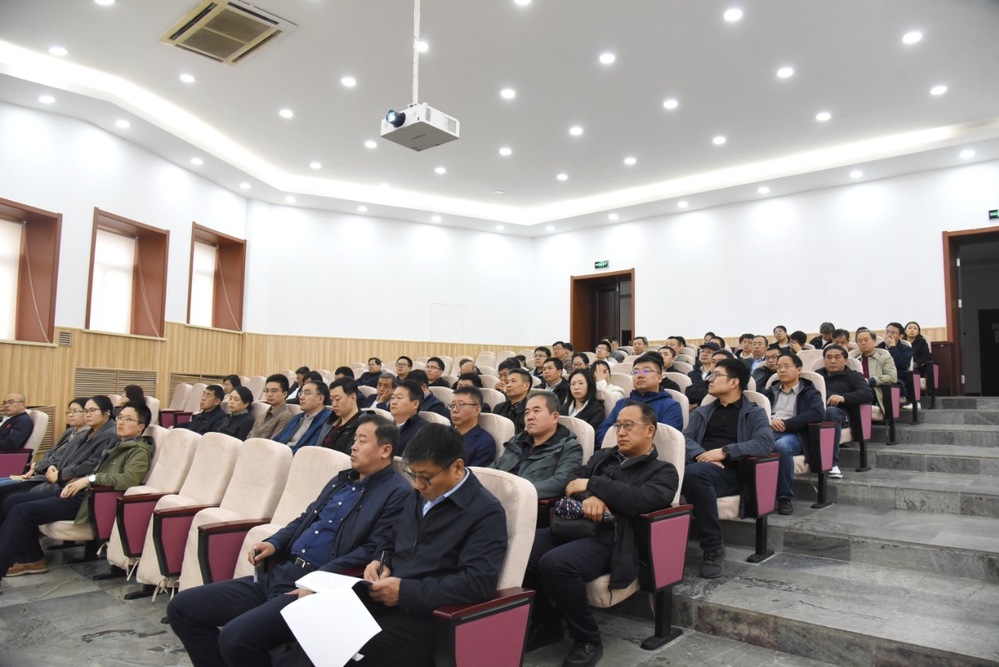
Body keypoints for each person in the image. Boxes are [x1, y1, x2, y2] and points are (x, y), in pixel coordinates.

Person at [167, 414, 411, 666]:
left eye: (362, 440)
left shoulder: (397, 494)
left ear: (385, 450)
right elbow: (306, 518)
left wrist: (318, 582)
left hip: (314, 586)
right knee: (182, 608)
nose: (353, 446)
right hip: (281, 572)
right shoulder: (342, 480)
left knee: (235, 638)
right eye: (355, 439)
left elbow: (372, 549)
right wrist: (275, 542)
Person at [524, 401, 679, 666]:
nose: (621, 432)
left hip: (613, 539)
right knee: (522, 549)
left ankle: (588, 639)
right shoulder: (603, 456)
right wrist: (590, 497)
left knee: (555, 564)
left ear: (650, 430)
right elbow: (572, 481)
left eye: (629, 425)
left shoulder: (663, 471)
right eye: (618, 426)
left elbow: (637, 501)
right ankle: (548, 622)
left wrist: (594, 485)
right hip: (573, 527)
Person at [356, 424, 508, 666]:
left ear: (457, 467)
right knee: (318, 626)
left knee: (352, 649)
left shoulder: (485, 512)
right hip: (386, 598)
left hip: (430, 617)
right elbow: (390, 536)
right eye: (413, 475)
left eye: (425, 477)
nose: (417, 485)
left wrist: (405, 592)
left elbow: (477, 583)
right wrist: (380, 560)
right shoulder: (418, 496)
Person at [0, 403, 153, 589]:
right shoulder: (118, 444)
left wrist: (90, 479)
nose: (120, 422)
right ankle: (31, 557)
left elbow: (129, 479)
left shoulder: (139, 451)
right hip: (77, 492)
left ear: (140, 426)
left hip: (90, 501)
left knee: (22, 511)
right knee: (12, 500)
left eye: (128, 419)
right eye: (120, 418)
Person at [681, 358, 774, 579]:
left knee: (694, 474)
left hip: (731, 473)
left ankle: (713, 547)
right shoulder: (703, 412)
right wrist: (702, 456)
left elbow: (764, 443)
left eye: (716, 375)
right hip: (700, 466)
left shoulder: (754, 412)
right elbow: (685, 439)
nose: (709, 380)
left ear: (734, 382)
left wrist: (725, 451)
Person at [0, 398, 92, 519]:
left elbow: (61, 460)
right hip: (40, 471)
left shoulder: (85, 436)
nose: (70, 414)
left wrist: (39, 466)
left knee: (7, 495)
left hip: (50, 477)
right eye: (69, 411)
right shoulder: (70, 431)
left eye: (75, 411)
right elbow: (51, 452)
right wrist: (38, 464)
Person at [761, 353, 825, 515]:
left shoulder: (810, 392)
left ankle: (785, 497)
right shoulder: (769, 392)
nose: (781, 370)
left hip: (794, 434)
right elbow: (754, 410)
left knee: (781, 447)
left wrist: (786, 424)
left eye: (786, 366)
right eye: (778, 367)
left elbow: (818, 414)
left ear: (798, 369)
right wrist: (769, 419)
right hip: (768, 431)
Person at [492, 391, 583, 499]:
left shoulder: (569, 447)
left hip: (528, 502)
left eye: (536, 411)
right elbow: (496, 467)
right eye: (527, 412)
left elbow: (560, 482)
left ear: (554, 417)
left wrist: (515, 493)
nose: (530, 417)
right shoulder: (517, 441)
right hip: (495, 497)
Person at [596, 354, 683, 445]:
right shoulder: (621, 403)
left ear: (660, 378)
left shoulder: (670, 406)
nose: (640, 375)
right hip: (615, 451)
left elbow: (666, 440)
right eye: (635, 372)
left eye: (646, 371)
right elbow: (603, 432)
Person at [815, 345, 873, 480]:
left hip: (842, 415)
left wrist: (843, 398)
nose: (832, 361)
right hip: (816, 412)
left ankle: (832, 463)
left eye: (837, 357)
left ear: (845, 360)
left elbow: (867, 394)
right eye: (828, 357)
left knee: (830, 412)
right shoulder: (817, 376)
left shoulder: (854, 376)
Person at [274, 380, 331, 453]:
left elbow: (310, 449)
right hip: (280, 453)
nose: (301, 397)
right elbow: (278, 439)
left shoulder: (327, 421)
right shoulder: (297, 418)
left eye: (307, 393)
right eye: (301, 393)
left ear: (320, 399)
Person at [852, 329, 898, 414]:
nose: (863, 343)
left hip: (874, 390)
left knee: (864, 392)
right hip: (855, 390)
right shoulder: (854, 360)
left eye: (866, 340)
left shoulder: (885, 357)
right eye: (860, 341)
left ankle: (863, 420)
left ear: (874, 341)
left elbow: (892, 377)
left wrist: (870, 381)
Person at [449, 386, 495, 467]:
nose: (454, 410)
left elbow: (475, 473)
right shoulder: (444, 434)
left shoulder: (484, 442)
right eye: (452, 405)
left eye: (461, 405)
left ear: (477, 410)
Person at [316, 378, 362, 454]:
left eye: (337, 399)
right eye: (332, 400)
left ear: (353, 398)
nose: (334, 404)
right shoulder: (330, 421)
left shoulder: (363, 425)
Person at [248, 374, 295, 440]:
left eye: (274, 391)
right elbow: (249, 436)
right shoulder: (261, 415)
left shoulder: (285, 417)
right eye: (267, 391)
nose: (269, 394)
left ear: (284, 394)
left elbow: (274, 442)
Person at [389, 380, 428, 456]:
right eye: (392, 397)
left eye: (399, 398)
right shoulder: (385, 426)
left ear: (415, 404)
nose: (393, 402)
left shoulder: (423, 430)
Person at [560, 368, 605, 433]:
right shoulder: (564, 408)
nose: (576, 387)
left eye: (581, 383)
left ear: (589, 386)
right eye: (573, 384)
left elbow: (592, 435)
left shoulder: (597, 410)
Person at [880, 322, 914, 399]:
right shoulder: (878, 348)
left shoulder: (907, 349)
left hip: (896, 380)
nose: (889, 335)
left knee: (887, 389)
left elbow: (903, 365)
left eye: (893, 333)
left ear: (900, 336)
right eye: (887, 332)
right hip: (878, 378)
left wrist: (892, 348)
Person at [495, 367, 532, 434]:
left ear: (526, 385)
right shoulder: (499, 407)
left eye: (513, 381)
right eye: (507, 382)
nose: (508, 385)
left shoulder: (530, 411)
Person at [685, 342, 721, 407]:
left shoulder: (719, 374)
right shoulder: (691, 374)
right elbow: (689, 392)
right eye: (702, 351)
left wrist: (698, 404)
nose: (704, 354)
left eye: (709, 352)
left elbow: (717, 394)